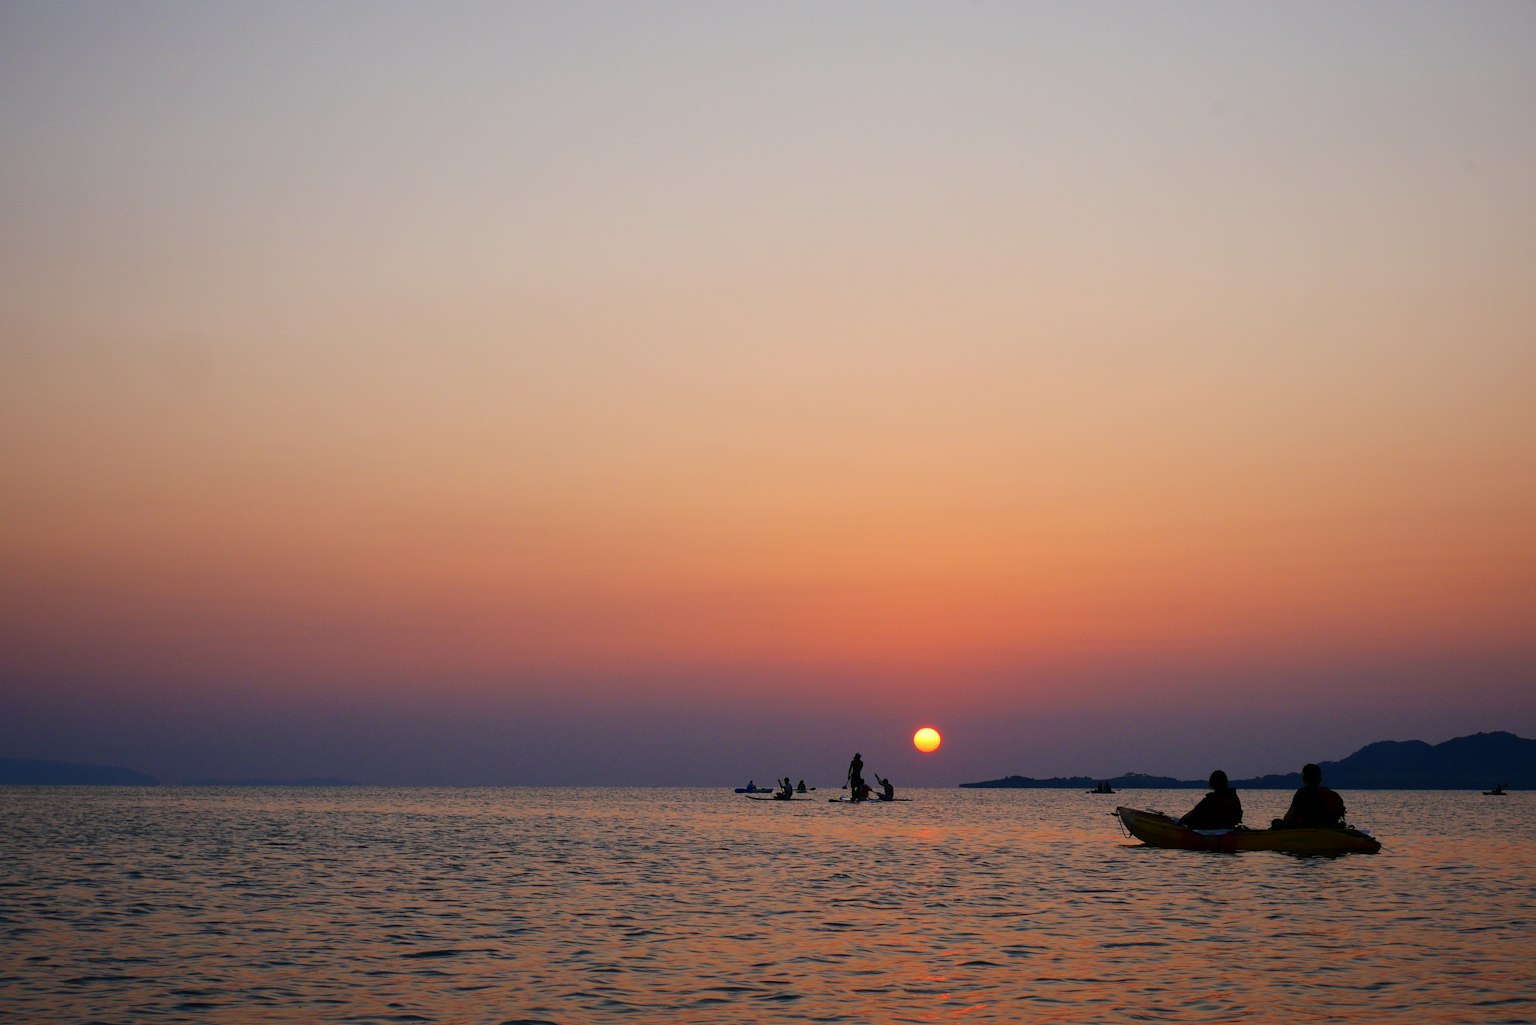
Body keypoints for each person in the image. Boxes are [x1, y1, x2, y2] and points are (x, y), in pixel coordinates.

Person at [1277, 763, 1347, 828]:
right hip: (1331, 826)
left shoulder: (1302, 793)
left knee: (1276, 823)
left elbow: (1288, 817)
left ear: (1304, 778)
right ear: (1319, 778)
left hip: (1309, 827)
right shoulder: (1331, 794)